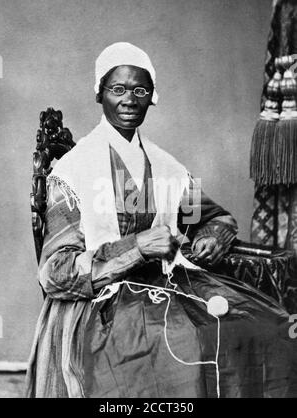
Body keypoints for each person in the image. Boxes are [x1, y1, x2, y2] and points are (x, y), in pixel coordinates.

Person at [26, 42, 297, 398]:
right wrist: (136, 247)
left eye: (140, 90)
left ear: (152, 97)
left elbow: (213, 217)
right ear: (99, 94)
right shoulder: (73, 172)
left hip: (170, 284)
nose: (129, 99)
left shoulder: (168, 167)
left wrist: (215, 234)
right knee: (185, 345)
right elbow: (55, 272)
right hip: (102, 304)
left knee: (267, 325)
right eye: (117, 89)